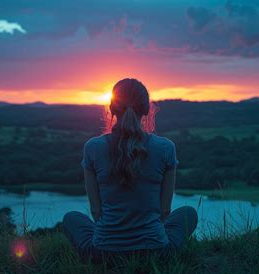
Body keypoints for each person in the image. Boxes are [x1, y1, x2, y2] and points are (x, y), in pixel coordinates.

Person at [62, 78, 198, 264]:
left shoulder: (92, 148)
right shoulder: (166, 147)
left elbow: (96, 211)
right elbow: (164, 211)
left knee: (71, 218)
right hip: (157, 254)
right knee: (188, 213)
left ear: (111, 108)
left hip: (103, 254)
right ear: (146, 110)